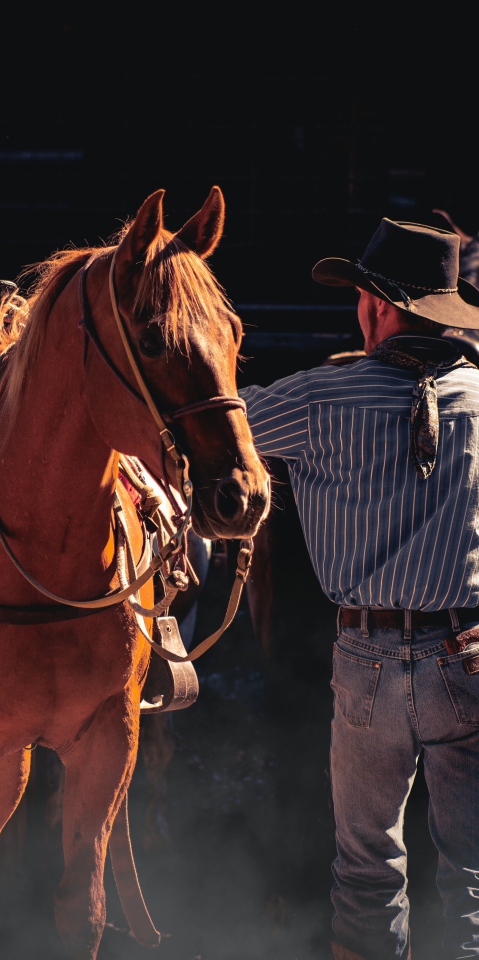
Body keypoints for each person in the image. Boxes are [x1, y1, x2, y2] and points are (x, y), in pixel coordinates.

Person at [239, 218, 479, 960]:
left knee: (368, 868)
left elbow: (208, 428)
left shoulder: (318, 400)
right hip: (468, 655)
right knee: (471, 873)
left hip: (367, 660)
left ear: (376, 305)